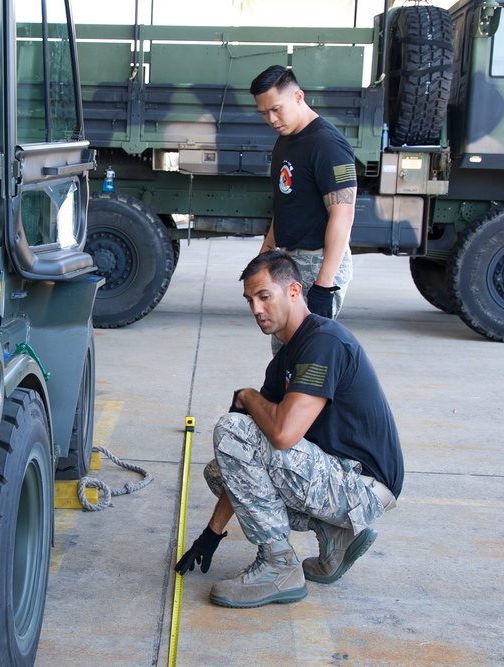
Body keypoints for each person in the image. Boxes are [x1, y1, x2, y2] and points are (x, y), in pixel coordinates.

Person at [175, 250, 403, 609]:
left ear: (294, 291)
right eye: (250, 300)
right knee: (221, 470)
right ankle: (332, 534)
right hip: (337, 478)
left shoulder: (323, 343)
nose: (256, 309)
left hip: (362, 488)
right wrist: (211, 534)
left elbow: (282, 435)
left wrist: (249, 397)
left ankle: (278, 565)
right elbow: (244, 465)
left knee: (233, 429)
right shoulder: (284, 358)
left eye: (264, 296)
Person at [251, 65, 356, 324]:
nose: (272, 119)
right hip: (288, 260)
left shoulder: (329, 144)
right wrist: (263, 259)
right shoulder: (285, 140)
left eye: (276, 109)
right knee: (285, 350)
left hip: (317, 261)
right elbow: (286, 204)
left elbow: (343, 213)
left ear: (298, 97)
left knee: (307, 352)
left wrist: (324, 284)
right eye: (264, 113)